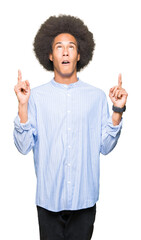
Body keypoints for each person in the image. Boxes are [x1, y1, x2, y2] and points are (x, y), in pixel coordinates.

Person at [13, 15, 128, 240]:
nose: (65, 52)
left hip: (84, 200)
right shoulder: (34, 97)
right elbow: (23, 146)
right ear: (49, 55)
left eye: (71, 47)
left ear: (79, 55)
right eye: (59, 47)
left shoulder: (96, 97)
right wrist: (22, 106)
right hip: (48, 201)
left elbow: (104, 146)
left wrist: (117, 111)